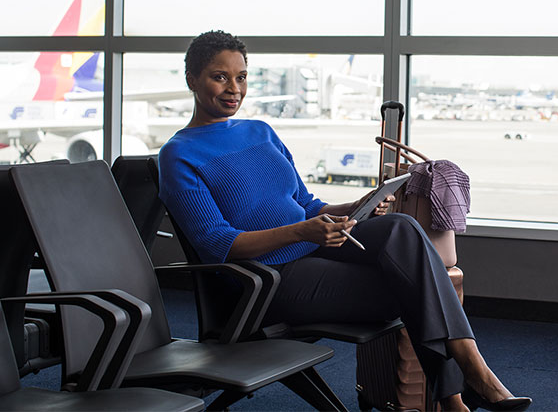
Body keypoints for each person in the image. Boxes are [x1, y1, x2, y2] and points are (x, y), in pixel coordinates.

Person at [157, 30, 531, 412]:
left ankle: (461, 390)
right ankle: (465, 386)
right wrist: (302, 231)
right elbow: (218, 244)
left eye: (241, 77)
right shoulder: (178, 155)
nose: (234, 88)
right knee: (419, 285)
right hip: (268, 280)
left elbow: (305, 203)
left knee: (401, 228)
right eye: (220, 77)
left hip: (316, 249)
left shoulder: (261, 132)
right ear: (192, 80)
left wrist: (357, 204)